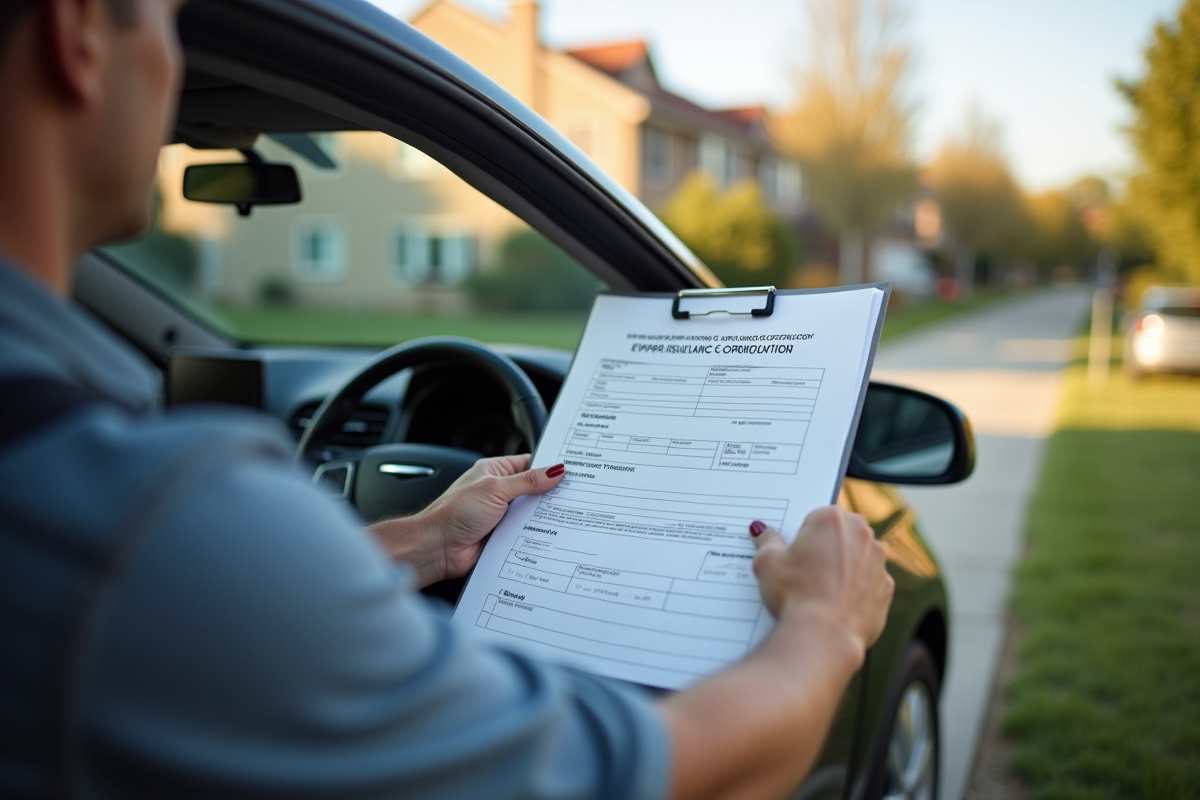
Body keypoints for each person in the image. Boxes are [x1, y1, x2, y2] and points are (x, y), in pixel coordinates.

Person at [0, 1, 896, 798]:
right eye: (163, 17)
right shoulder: (149, 522)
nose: (171, 63)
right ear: (79, 33)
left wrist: (425, 538)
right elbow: (674, 773)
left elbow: (194, 641)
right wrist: (824, 626)